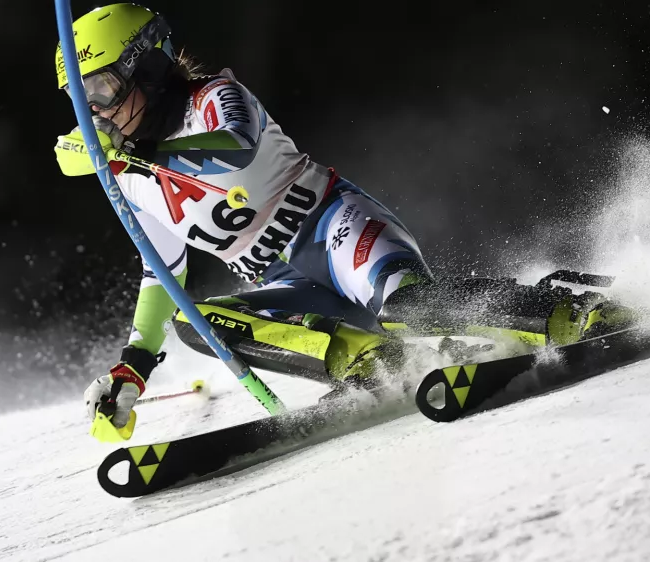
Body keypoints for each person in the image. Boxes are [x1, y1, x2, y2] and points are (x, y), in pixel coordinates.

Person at [53, 3, 615, 439]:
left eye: (101, 89)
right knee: (196, 320)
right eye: (82, 99)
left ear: (146, 65)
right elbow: (162, 273)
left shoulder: (216, 97)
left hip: (336, 230)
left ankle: (575, 314)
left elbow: (236, 148)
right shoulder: (130, 176)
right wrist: (133, 369)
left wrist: (129, 155)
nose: (95, 111)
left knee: (407, 308)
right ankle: (375, 367)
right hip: (287, 284)